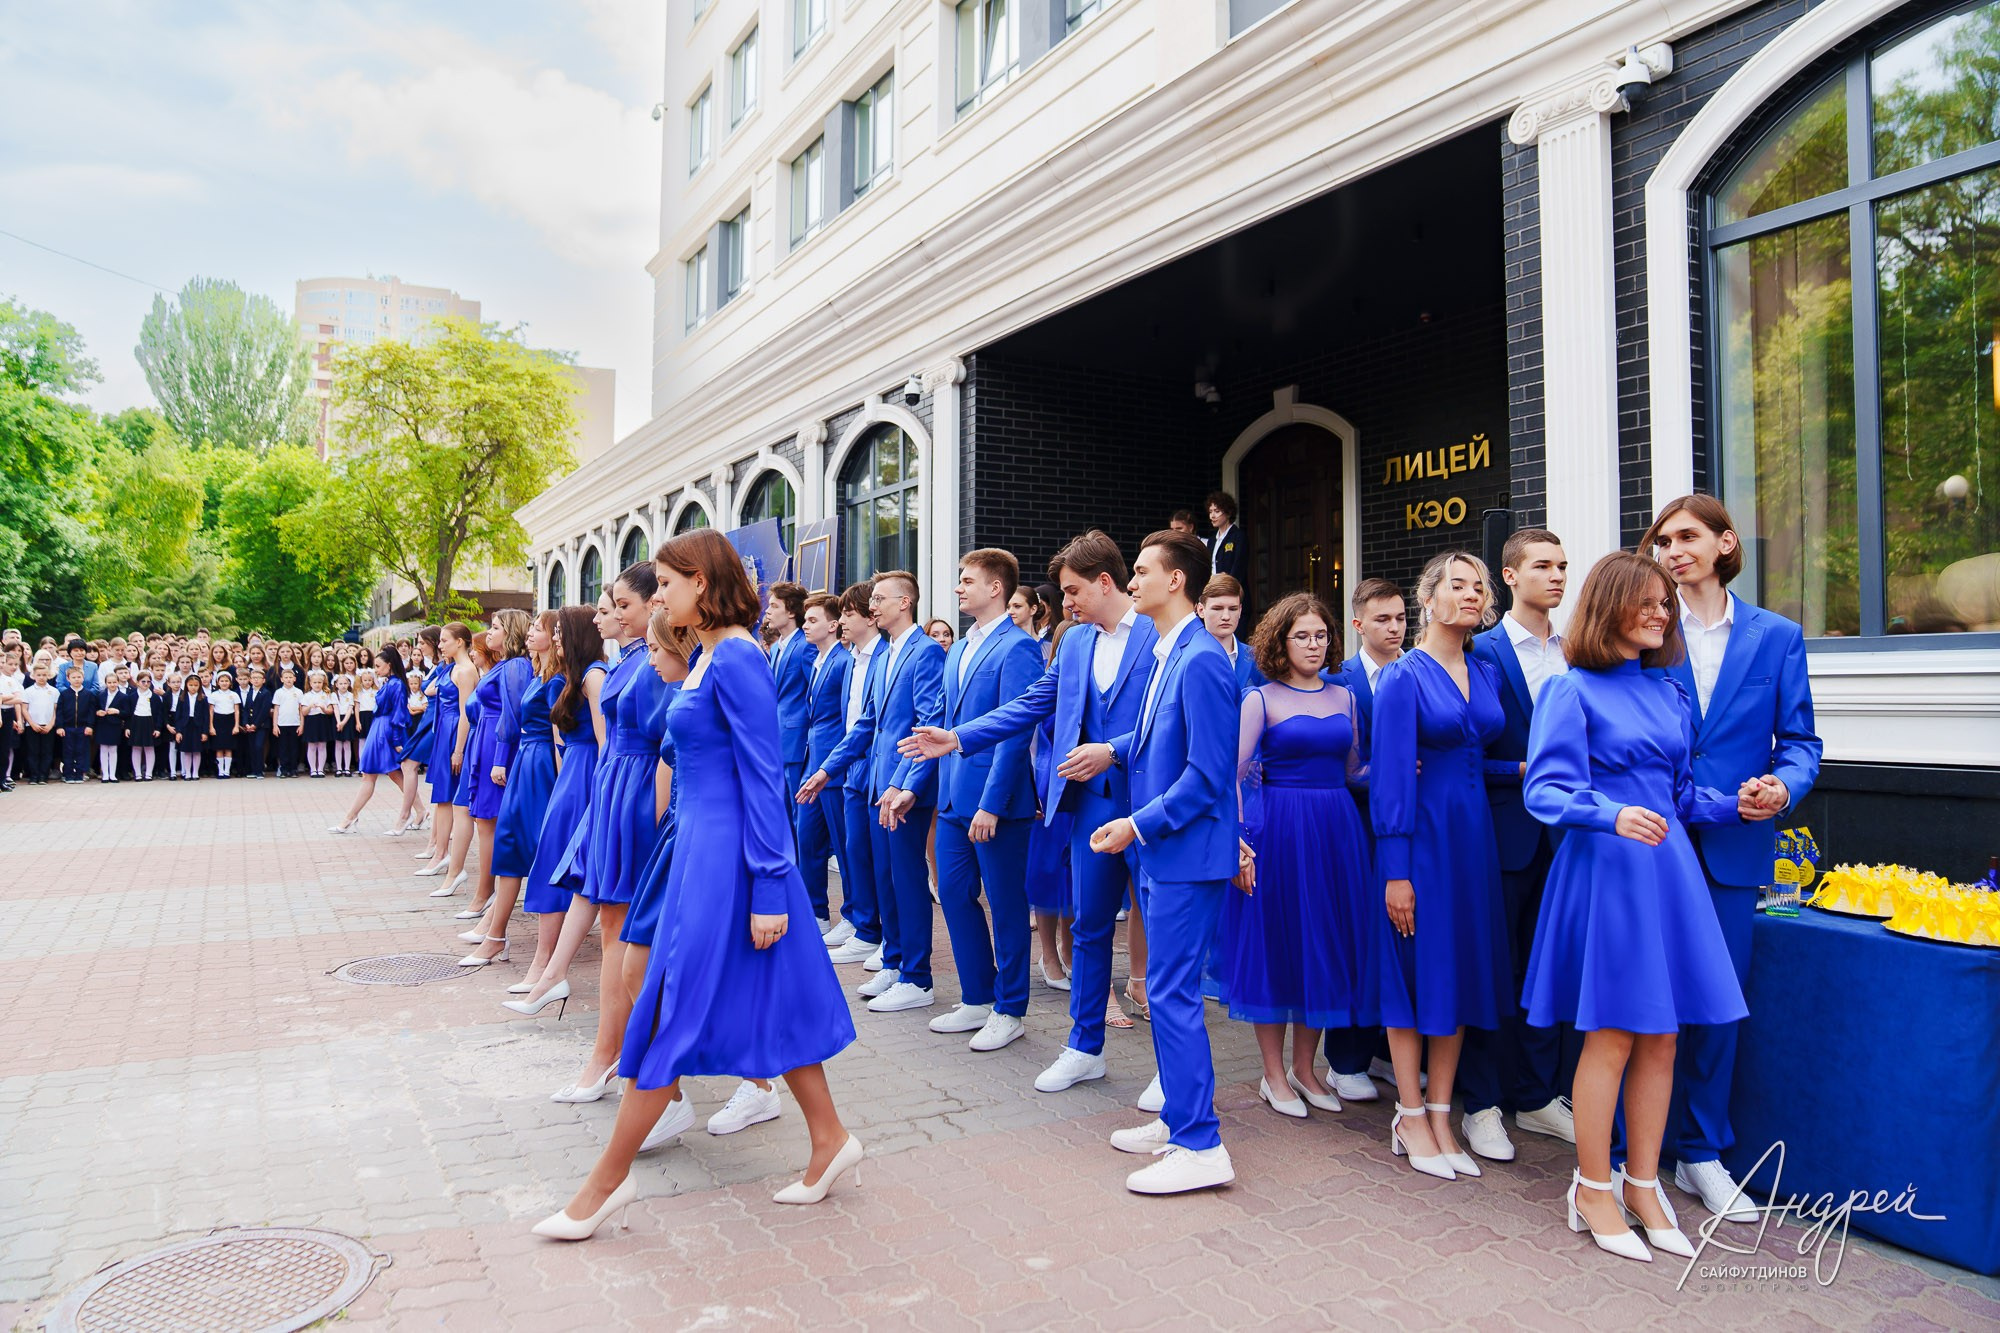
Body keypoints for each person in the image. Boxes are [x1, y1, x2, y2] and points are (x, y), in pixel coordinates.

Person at [534, 529, 860, 1240]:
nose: (661, 595)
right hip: (700, 856)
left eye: (670, 582)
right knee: (764, 998)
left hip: (727, 865)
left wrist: (773, 887)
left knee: (662, 1011)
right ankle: (830, 1137)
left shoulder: (739, 656)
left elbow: (763, 779)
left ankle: (604, 1184)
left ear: (702, 585)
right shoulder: (713, 655)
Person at [1521, 551, 1752, 1263]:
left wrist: (1738, 802)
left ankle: (1643, 1182)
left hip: (1669, 869)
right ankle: (1593, 1186)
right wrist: (1610, 812)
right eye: (1646, 600)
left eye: (1665, 602)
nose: (1661, 611)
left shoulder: (1667, 692)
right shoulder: (1571, 690)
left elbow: (1680, 796)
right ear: (1608, 605)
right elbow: (1545, 792)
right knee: (1616, 1033)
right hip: (1610, 870)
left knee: (1665, 1034)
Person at [902, 531, 1160, 1102]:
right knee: (1090, 929)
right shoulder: (1071, 645)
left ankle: (1171, 1069)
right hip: (1089, 808)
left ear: (1104, 582)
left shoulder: (1159, 636)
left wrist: (1112, 747)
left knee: (1162, 935)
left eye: (1071, 592)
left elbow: (1169, 718)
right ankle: (1084, 1048)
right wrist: (959, 738)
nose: (1062, 603)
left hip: (1150, 808)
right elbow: (1030, 704)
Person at [1637, 494, 1820, 1220]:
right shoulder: (1647, 631)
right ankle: (1629, 1155)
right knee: (1646, 1000)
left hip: (1738, 850)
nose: (1674, 549)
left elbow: (1802, 742)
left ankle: (1702, 1153)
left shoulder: (1777, 637)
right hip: (1654, 841)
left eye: (1687, 537)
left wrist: (1785, 784)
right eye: (1664, 541)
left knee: (1718, 1007)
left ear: (1725, 543)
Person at [1085, 527, 1240, 1194]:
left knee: (1172, 994)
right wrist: (1115, 751)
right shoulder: (1170, 650)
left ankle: (1201, 1143)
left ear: (1177, 580)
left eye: (1143, 570)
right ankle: (1181, 1116)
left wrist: (1134, 823)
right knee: (1167, 993)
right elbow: (1154, 738)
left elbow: (1207, 777)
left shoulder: (1201, 659)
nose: (1133, 580)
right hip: (1163, 853)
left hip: (1182, 853)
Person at [1371, 550, 1512, 1183]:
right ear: (1428, 597)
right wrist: (1396, 870)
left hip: (1473, 837)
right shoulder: (1404, 676)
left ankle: (1439, 1111)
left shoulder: (1484, 669)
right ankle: (1406, 1112)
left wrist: (1525, 772)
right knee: (1414, 970)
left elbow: (1479, 757)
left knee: (1459, 971)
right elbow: (1392, 779)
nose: (1472, 594)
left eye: (1479, 586)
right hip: (1421, 838)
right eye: (1458, 585)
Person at [1222, 592, 1373, 1120]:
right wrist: (1240, 842)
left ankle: (1306, 1070)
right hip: (1280, 832)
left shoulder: (1345, 697)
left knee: (1323, 946)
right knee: (1278, 947)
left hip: (1336, 832)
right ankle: (1272, 1074)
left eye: (1322, 635)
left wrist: (1404, 770)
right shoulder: (1259, 699)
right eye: (1302, 635)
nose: (1314, 644)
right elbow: (1235, 776)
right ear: (1281, 642)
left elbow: (1355, 769)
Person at [1461, 528, 1579, 1163]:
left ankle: (1538, 1096)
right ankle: (1481, 1102)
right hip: (1503, 833)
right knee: (1494, 967)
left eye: (1562, 566)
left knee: (1551, 970)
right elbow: (1467, 751)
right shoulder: (1479, 650)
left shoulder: (1580, 650)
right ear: (1509, 576)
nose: (1557, 576)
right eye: (1542, 566)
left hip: (1571, 840)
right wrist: (1531, 769)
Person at [550, 563, 668, 1102]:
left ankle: (617, 1056)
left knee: (628, 930)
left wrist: (658, 813)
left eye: (624, 604)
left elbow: (670, 743)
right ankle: (610, 1053)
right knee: (612, 927)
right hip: (616, 790)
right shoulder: (630, 657)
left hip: (641, 794)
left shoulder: (664, 657)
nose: (616, 613)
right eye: (612, 605)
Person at [803, 570, 945, 1015]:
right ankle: (897, 960)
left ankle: (918, 977)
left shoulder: (925, 653)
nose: (873, 606)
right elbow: (867, 724)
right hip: (875, 783)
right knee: (886, 881)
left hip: (903, 788)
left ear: (905, 602)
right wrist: (828, 769)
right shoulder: (884, 655)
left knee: (907, 882)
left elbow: (926, 726)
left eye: (880, 599)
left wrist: (906, 784)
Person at [925, 549, 1044, 1052]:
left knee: (1005, 904)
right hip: (953, 795)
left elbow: (1015, 732)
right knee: (952, 893)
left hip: (997, 802)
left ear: (996, 588)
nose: (958, 588)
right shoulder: (958, 648)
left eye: (967, 580)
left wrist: (992, 803)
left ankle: (1010, 1007)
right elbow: (948, 724)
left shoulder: (1019, 648)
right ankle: (976, 995)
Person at [1321, 577, 1406, 1104]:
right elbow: (1341, 764)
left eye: (1400, 618)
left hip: (1405, 829)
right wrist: (1392, 771)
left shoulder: (1418, 671)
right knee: (1353, 938)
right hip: (1354, 827)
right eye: (1383, 620)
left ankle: (1383, 1049)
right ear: (1358, 624)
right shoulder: (1339, 682)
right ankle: (1344, 1059)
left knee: (1397, 941)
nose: (1395, 628)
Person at [506, 606, 608, 1017]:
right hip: (570, 779)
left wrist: (596, 793)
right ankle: (543, 965)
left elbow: (606, 745)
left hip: (589, 777)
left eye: (563, 634)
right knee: (550, 861)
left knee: (565, 866)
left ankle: (546, 966)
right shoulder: (570, 679)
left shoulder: (594, 677)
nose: (557, 640)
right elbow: (562, 743)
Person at [472, 613, 563, 967]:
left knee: (535, 845)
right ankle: (494, 930)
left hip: (538, 762)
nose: (531, 634)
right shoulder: (534, 671)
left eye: (539, 629)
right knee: (509, 842)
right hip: (527, 759)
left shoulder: (551, 678)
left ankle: (500, 932)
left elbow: (554, 736)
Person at [814, 584, 887, 968]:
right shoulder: (854, 659)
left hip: (873, 766)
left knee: (872, 856)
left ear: (868, 616)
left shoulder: (881, 657)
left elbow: (874, 721)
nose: (840, 620)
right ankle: (864, 924)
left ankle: (875, 930)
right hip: (852, 764)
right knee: (854, 850)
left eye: (847, 613)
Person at [460, 610, 536, 927]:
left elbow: (514, 715)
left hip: (498, 744)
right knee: (483, 819)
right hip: (487, 740)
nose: (488, 633)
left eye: (495, 627)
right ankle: (486, 894)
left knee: (489, 822)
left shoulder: (516, 666)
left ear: (511, 633)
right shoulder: (505, 664)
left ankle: (485, 894)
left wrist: (500, 757)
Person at [795, 593, 852, 937]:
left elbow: (848, 719)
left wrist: (833, 765)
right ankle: (816, 913)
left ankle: (852, 917)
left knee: (844, 848)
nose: (805, 625)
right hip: (812, 761)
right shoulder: (815, 661)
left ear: (833, 625)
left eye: (813, 620)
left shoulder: (842, 662)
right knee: (808, 840)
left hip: (834, 766)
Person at [415, 624, 478, 893]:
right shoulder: (450, 668)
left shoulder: (465, 671)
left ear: (460, 642)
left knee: (449, 797)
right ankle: (440, 852)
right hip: (443, 730)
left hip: (454, 732)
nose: (440, 645)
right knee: (441, 796)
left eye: (444, 641)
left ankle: (443, 854)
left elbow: (467, 713)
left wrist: (458, 749)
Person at [332, 647, 410, 834]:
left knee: (380, 774)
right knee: (392, 774)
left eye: (378, 666)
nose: (375, 669)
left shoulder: (396, 684)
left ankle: (349, 818)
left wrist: (398, 739)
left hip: (386, 731)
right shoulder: (390, 682)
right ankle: (420, 812)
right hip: (381, 729)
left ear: (389, 665)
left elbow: (400, 712)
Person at [764, 582, 813, 838]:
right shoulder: (777, 649)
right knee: (781, 819)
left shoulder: (805, 646)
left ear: (791, 611)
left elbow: (814, 695)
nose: (768, 611)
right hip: (777, 744)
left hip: (797, 744)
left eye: (774, 606)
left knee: (797, 820)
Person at [1199, 574, 1263, 696]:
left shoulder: (1257, 659)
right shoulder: (1184, 657)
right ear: (1201, 610)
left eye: (1233, 609)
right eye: (1217, 608)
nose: (1226, 617)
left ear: (1240, 610)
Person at [55, 664, 97, 782]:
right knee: (68, 751)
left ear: (83, 678)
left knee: (81, 751)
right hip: (67, 728)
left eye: (79, 677)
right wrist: (60, 726)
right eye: (73, 677)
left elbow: (91, 712)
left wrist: (89, 726)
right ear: (68, 679)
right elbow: (60, 712)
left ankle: (80, 774)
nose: (76, 679)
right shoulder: (64, 694)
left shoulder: (89, 694)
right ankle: (68, 774)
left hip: (83, 728)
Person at [21, 660, 58, 784]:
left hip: (48, 726)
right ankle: (34, 776)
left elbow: (55, 711)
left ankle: (43, 776)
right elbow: (24, 709)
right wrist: (32, 724)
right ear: (33, 676)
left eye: (44, 675)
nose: (42, 677)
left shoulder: (54, 691)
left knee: (47, 752)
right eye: (39, 675)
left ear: (48, 675)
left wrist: (51, 724)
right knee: (33, 752)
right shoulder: (28, 691)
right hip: (32, 726)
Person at [96, 665, 133, 782]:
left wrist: (117, 711)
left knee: (113, 749)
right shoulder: (100, 695)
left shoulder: (123, 697)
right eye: (109, 682)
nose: (112, 685)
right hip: (103, 724)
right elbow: (95, 708)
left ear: (117, 682)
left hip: (115, 726)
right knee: (103, 749)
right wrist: (98, 712)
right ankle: (105, 774)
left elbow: (127, 712)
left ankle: (112, 774)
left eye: (114, 682)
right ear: (106, 683)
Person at [238, 667, 272, 780]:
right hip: (250, 726)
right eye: (253, 678)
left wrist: (255, 724)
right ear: (250, 680)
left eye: (258, 678)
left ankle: (260, 770)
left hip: (261, 725)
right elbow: (246, 709)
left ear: (263, 680)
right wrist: (246, 723)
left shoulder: (266, 693)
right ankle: (253, 770)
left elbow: (264, 711)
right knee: (251, 747)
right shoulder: (250, 692)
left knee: (258, 746)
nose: (256, 680)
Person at [271, 668, 304, 779]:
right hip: (282, 724)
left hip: (295, 723)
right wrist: (275, 725)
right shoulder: (278, 692)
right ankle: (284, 769)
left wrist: (301, 725)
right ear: (281, 679)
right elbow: (276, 709)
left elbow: (301, 710)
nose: (288, 679)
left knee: (294, 748)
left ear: (294, 679)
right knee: (283, 748)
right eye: (286, 677)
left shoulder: (298, 692)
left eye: (290, 677)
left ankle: (293, 769)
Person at [1205, 492, 1244, 584]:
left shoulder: (1238, 537)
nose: (1212, 516)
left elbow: (1239, 567)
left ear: (1229, 513)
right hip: (1212, 589)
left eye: (1217, 511)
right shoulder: (1211, 540)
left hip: (1231, 589)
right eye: (1210, 512)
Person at [300, 669, 332, 778]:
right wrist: (310, 707)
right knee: (312, 745)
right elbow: (303, 712)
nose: (317, 685)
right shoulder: (307, 696)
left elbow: (330, 710)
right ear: (310, 683)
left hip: (322, 720)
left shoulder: (326, 695)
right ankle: (313, 769)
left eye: (319, 682)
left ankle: (320, 769)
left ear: (323, 683)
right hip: (311, 721)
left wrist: (324, 708)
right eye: (315, 682)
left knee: (322, 745)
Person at [332, 674, 358, 777]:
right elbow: (335, 708)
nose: (343, 686)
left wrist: (343, 722)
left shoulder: (350, 695)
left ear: (348, 684)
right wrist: (339, 722)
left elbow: (349, 709)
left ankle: (347, 768)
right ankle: (339, 768)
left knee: (347, 744)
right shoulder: (334, 695)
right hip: (337, 719)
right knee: (338, 745)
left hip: (348, 720)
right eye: (340, 683)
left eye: (345, 683)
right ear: (336, 685)